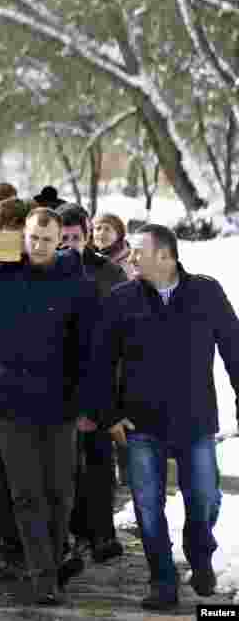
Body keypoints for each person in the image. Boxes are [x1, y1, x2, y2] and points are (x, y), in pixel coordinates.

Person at [0, 207, 98, 606]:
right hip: (11, 402)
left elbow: (89, 349)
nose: (39, 245)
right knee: (26, 493)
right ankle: (43, 576)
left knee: (60, 492)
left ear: (58, 240)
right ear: (23, 237)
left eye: (47, 239)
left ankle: (54, 557)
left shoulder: (75, 282)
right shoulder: (2, 277)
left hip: (60, 403)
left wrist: (87, 403)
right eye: (33, 238)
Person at [83, 224, 239, 611]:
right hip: (141, 425)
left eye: (139, 251)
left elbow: (235, 349)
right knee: (147, 507)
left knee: (203, 500)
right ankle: (162, 582)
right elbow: (100, 362)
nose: (131, 257)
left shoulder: (206, 292)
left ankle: (199, 551)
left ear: (166, 256)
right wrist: (109, 416)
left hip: (195, 420)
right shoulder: (121, 299)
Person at [55, 203, 127, 577]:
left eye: (76, 238)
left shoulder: (108, 273)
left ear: (87, 237)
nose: (69, 245)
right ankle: (66, 535)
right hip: (57, 380)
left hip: (99, 378)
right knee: (63, 466)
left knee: (98, 462)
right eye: (62, 239)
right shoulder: (46, 271)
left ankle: (101, 533)